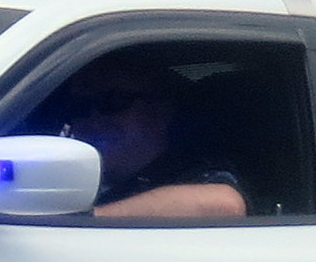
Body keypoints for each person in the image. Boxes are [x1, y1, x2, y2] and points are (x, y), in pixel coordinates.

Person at [47, 54, 246, 219]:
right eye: (79, 106)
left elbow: (225, 204)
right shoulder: (67, 173)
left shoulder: (189, 168)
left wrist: (88, 219)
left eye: (112, 101)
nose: (92, 117)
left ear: (162, 108)